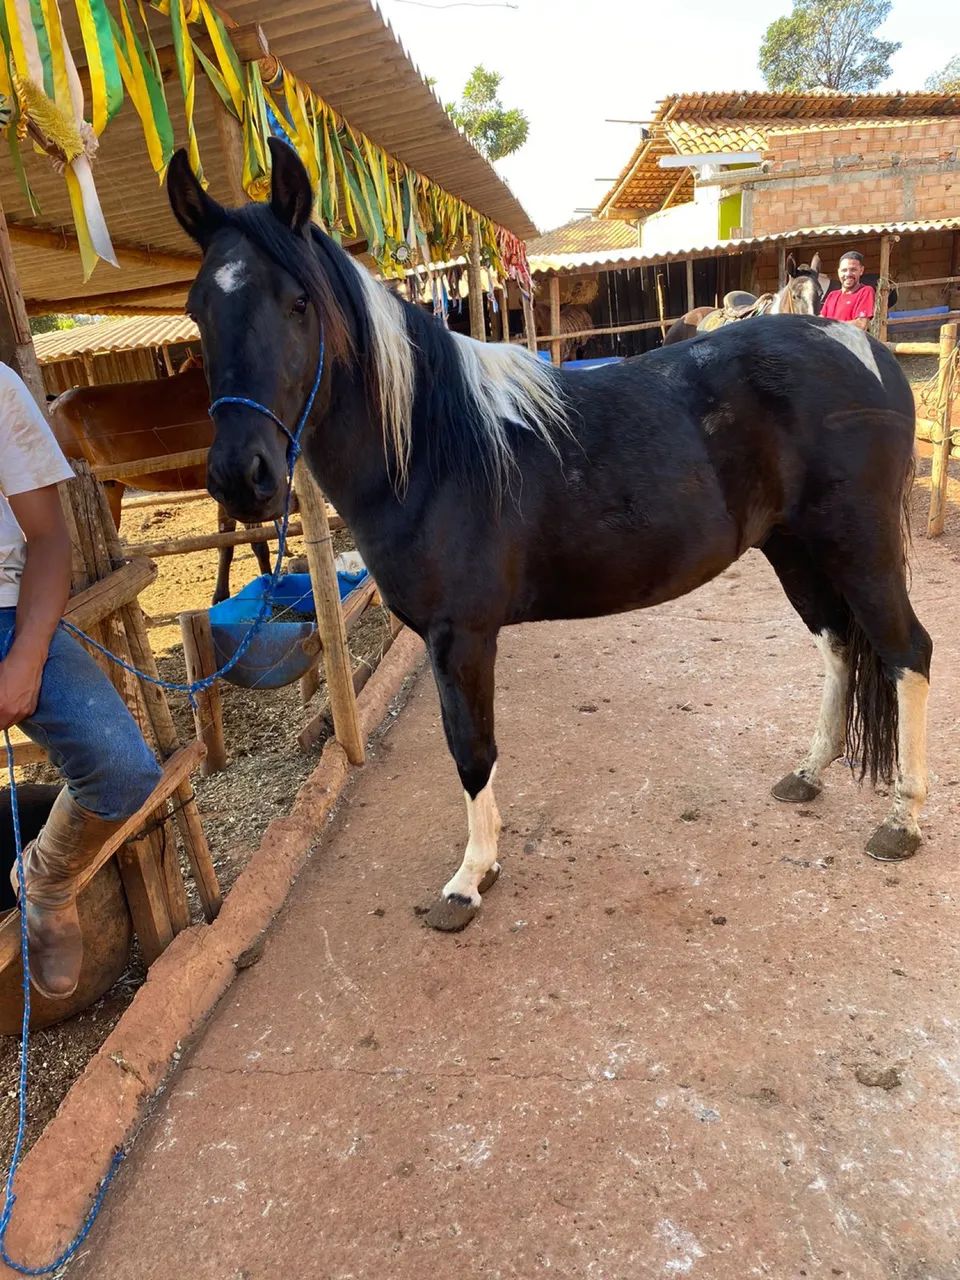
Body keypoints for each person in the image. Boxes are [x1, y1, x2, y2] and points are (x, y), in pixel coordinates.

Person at [0, 361, 162, 1000]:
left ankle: (47, 875)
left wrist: (25, 660)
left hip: (8, 608)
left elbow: (47, 540)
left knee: (124, 769)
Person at [820, 251, 876, 331]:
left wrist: (829, 326)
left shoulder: (865, 291)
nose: (848, 274)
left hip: (850, 343)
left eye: (853, 270)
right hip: (830, 342)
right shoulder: (832, 295)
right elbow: (821, 320)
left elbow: (861, 324)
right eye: (844, 270)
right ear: (839, 272)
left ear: (861, 270)